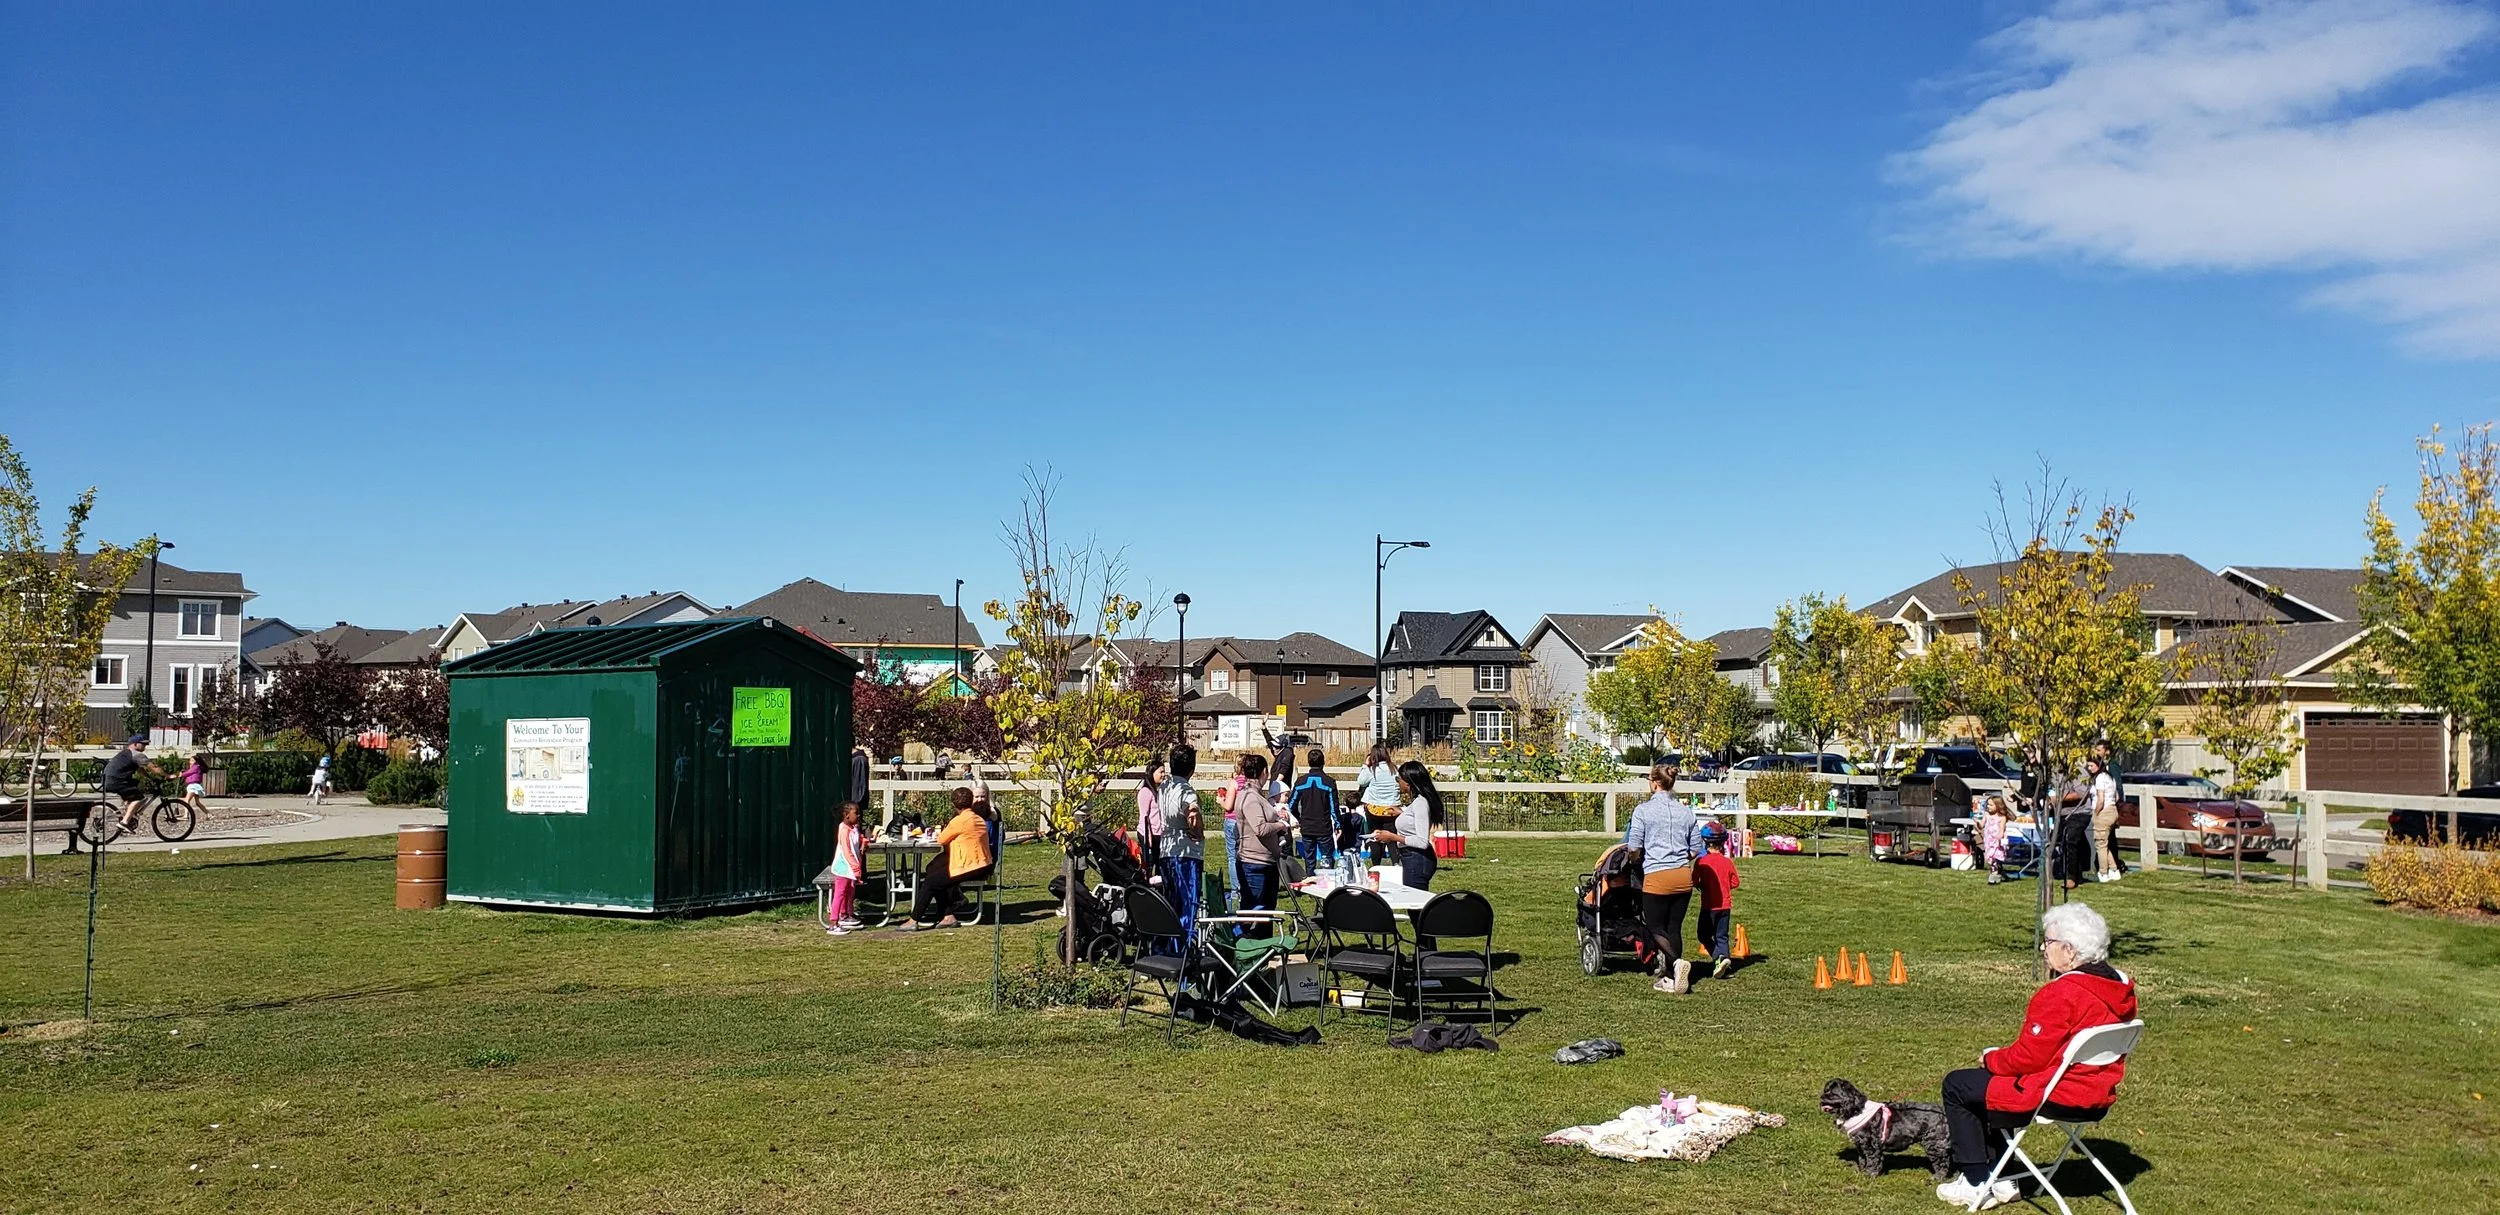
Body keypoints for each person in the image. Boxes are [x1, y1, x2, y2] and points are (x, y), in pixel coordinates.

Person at [1935, 902, 2138, 1210]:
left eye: (2049, 942)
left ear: (2069, 951)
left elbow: (2027, 1059)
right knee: (1986, 1082)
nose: (2044, 948)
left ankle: (1977, 1180)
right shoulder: (2120, 987)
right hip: (2097, 1091)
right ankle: (2002, 1178)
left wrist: (1991, 1058)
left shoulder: (2062, 992)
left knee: (1958, 1085)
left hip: (2056, 1093)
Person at [1622, 764, 1706, 995]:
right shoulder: (1685, 811)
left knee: (1655, 926)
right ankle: (1671, 978)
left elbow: (1634, 846)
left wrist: (1634, 859)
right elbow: (1696, 848)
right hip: (1682, 875)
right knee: (1674, 927)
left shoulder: (1643, 811)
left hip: (1658, 875)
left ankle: (1677, 962)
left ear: (1654, 782)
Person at [901, 788, 992, 930]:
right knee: (933, 869)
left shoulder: (960, 820)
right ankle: (948, 915)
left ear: (954, 805)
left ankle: (914, 919)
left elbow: (942, 839)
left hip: (970, 866)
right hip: (983, 863)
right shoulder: (977, 818)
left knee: (931, 882)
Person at [1154, 746, 1207, 947]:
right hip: (1186, 852)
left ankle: (1167, 944)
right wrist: (1197, 832)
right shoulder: (1186, 791)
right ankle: (1183, 947)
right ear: (1191, 768)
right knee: (1187, 900)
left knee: (1171, 899)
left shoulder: (1165, 787)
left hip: (1167, 848)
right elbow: (1192, 815)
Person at [1231, 754, 1292, 921]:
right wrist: (1282, 825)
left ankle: (1262, 944)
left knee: (1265, 913)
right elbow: (1260, 828)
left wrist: (1276, 816)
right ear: (1264, 772)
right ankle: (1250, 943)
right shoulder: (1250, 797)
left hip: (1264, 861)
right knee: (1255, 913)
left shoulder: (1255, 795)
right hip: (1254, 864)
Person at [1371, 760, 1441, 890]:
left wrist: (1392, 837)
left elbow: (1422, 842)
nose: (1397, 782)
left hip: (1418, 859)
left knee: (1415, 904)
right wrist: (1402, 813)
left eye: (1399, 779)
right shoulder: (1417, 802)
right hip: (1411, 857)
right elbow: (1415, 820)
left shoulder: (1420, 803)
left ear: (1408, 782)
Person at [1693, 822, 1741, 981]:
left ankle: (1718, 958)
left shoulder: (1701, 862)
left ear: (1705, 843)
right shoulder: (1727, 862)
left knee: (1703, 935)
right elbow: (1735, 883)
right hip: (1725, 907)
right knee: (1722, 936)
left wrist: (1700, 885)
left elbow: (1694, 880)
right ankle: (1724, 961)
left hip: (1708, 907)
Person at [97, 736, 164, 835]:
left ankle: (127, 809)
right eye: (143, 744)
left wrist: (149, 778)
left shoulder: (125, 753)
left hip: (109, 780)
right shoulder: (136, 754)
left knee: (134, 784)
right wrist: (168, 775)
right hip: (117, 781)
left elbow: (140, 769)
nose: (145, 746)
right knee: (138, 798)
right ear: (135, 744)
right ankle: (124, 822)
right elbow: (154, 767)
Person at [1289, 748, 1340, 870]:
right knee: (1327, 859)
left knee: (1309, 861)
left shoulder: (1301, 782)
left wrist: (1300, 819)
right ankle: (1327, 885)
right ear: (1323, 762)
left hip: (1307, 827)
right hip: (1324, 827)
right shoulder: (1329, 782)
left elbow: (1291, 805)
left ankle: (1310, 882)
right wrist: (1338, 824)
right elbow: (1334, 807)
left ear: (1308, 762)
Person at [1354, 742, 1401, 863]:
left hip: (1374, 809)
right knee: (1391, 839)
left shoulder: (1372, 770)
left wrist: (1365, 765)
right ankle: (1396, 863)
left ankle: (1376, 865)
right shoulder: (1394, 769)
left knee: (1375, 837)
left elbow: (1361, 781)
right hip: (1391, 810)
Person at [827, 803, 865, 934]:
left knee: (850, 891)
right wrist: (855, 867)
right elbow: (846, 850)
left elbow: (857, 838)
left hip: (850, 868)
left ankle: (845, 914)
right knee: (840, 893)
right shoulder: (843, 830)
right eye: (856, 813)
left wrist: (863, 840)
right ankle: (833, 922)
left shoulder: (853, 828)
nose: (858, 815)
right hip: (844, 867)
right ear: (846, 815)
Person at [2087, 755, 2123, 883]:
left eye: (2092, 765)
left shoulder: (2100, 778)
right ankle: (2114, 870)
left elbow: (2101, 800)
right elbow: (2117, 796)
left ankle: (2103, 873)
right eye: (2088, 765)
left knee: (2100, 844)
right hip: (2113, 810)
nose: (2089, 768)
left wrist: (2096, 813)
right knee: (2105, 843)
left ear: (2099, 765)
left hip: (2103, 812)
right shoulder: (2110, 777)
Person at [1980, 795, 2013, 885]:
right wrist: (1977, 824)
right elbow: (1981, 825)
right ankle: (1999, 872)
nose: (1988, 807)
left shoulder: (2002, 818)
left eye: (1991, 805)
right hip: (1988, 840)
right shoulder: (1987, 815)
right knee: (1991, 858)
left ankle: (1993, 876)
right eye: (1988, 805)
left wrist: (1999, 838)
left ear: (1998, 806)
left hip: (1997, 841)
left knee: (1994, 857)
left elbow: (2002, 831)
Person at [180, 752, 209, 820]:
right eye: (190, 760)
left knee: (186, 800)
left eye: (192, 760)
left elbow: (189, 773)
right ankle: (209, 814)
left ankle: (186, 815)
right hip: (194, 785)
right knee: (197, 803)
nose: (190, 762)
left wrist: (182, 774)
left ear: (196, 761)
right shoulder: (194, 768)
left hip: (193, 786)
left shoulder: (196, 767)